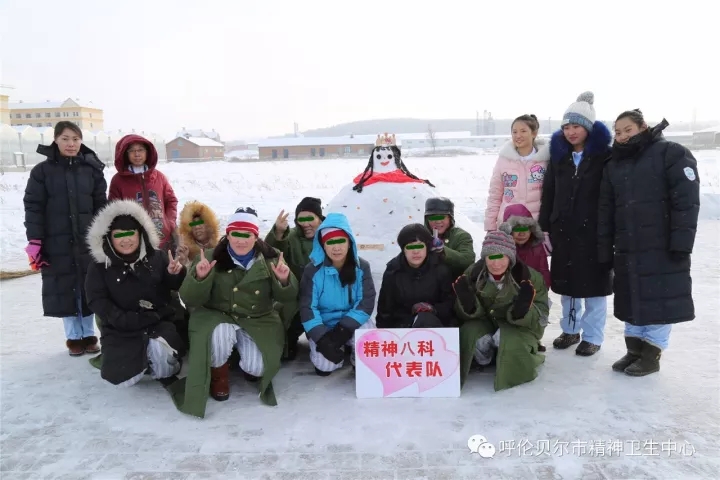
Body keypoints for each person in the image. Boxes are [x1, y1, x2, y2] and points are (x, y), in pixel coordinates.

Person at [598, 110, 700, 376]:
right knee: (632, 297)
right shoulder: (614, 164)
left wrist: (681, 241)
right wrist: (604, 246)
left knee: (659, 299)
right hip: (628, 245)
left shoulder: (671, 153)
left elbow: (686, 202)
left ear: (643, 127)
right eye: (617, 132)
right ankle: (634, 350)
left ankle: (651, 355)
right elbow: (606, 209)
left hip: (662, 245)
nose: (622, 136)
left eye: (628, 129)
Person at [170, 207, 299, 418]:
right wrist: (200, 278)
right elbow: (190, 299)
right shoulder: (209, 257)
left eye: (246, 235)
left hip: (257, 320)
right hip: (217, 316)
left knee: (257, 368)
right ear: (227, 235)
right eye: (235, 234)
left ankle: (239, 357)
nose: (240, 240)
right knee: (221, 334)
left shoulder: (271, 259)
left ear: (255, 237)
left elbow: (287, 297)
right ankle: (219, 373)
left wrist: (284, 280)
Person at [23, 121, 107, 356]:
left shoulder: (92, 169)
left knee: (88, 286)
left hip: (87, 240)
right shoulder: (41, 171)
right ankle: (73, 337)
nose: (71, 144)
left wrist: (104, 235)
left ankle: (89, 335)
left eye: (75, 139)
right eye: (65, 139)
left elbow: (102, 204)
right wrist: (35, 240)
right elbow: (33, 206)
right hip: (55, 241)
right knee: (64, 287)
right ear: (56, 140)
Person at [539, 91, 613, 356]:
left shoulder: (605, 157)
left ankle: (592, 336)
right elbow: (549, 193)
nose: (571, 132)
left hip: (593, 233)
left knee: (594, 288)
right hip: (563, 232)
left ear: (589, 128)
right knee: (568, 285)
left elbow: (610, 197)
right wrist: (545, 226)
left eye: (577, 126)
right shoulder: (559, 157)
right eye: (567, 127)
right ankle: (570, 330)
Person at [84, 200, 187, 388]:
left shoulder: (157, 257)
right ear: (109, 237)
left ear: (140, 233)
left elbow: (174, 287)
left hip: (159, 321)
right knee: (123, 381)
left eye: (130, 233)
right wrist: (123, 319)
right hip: (121, 328)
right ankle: (140, 360)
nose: (126, 239)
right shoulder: (99, 267)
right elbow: (96, 300)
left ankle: (159, 359)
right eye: (119, 235)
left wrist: (175, 273)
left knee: (162, 363)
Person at [453, 230, 549, 391]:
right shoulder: (473, 274)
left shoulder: (530, 278)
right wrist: (468, 304)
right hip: (486, 323)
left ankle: (515, 358)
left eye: (501, 257)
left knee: (508, 340)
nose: (496, 264)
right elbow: (459, 313)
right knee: (469, 333)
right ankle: (485, 358)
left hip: (517, 328)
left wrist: (522, 312)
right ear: (485, 259)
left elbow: (541, 320)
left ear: (510, 257)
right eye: (491, 257)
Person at [299, 213, 376, 376]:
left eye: (341, 241)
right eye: (330, 242)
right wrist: (322, 339)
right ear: (323, 245)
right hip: (324, 324)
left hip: (351, 321)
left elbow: (365, 302)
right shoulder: (312, 271)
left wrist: (343, 330)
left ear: (349, 242)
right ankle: (332, 349)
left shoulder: (361, 267)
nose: (336, 247)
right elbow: (307, 307)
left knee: (369, 339)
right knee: (325, 366)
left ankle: (355, 356)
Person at [265, 197, 325, 361]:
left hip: (323, 299)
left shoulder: (330, 235)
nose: (305, 224)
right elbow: (270, 253)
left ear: (320, 218)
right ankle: (287, 342)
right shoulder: (291, 237)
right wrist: (278, 232)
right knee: (286, 313)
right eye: (301, 219)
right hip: (297, 297)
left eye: (309, 218)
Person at [376, 223, 456, 329]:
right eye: (410, 247)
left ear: (427, 247)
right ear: (403, 249)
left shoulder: (441, 270)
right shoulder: (393, 271)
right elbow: (385, 310)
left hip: (433, 327)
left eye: (420, 246)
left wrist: (433, 309)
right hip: (402, 327)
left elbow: (450, 305)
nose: (416, 251)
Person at [108, 134, 178, 252]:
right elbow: (113, 209)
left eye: (140, 150)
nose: (137, 154)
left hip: (163, 239)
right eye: (132, 151)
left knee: (165, 268)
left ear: (147, 152)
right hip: (134, 241)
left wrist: (169, 222)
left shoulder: (159, 177)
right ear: (125, 154)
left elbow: (171, 201)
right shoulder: (118, 180)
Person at [498, 204, 551, 352]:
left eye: (525, 229)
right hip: (508, 291)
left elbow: (543, 270)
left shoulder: (536, 247)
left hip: (533, 290)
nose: (521, 234)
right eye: (516, 229)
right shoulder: (502, 248)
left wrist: (541, 292)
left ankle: (534, 337)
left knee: (538, 312)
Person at [484, 114, 550, 232]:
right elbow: (495, 194)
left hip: (535, 227)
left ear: (534, 133)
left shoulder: (545, 161)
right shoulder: (504, 160)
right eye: (514, 132)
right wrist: (490, 226)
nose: (518, 135)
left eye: (523, 131)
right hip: (508, 226)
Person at [424, 197, 476, 279]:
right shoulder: (421, 236)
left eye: (442, 217)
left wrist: (442, 250)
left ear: (450, 218)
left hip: (453, 285)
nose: (438, 221)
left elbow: (468, 260)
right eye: (433, 217)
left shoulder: (461, 236)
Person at [175, 200, 221, 269]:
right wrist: (182, 262)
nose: (197, 227)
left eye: (200, 222)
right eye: (193, 224)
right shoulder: (185, 253)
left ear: (209, 224)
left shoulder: (221, 248)